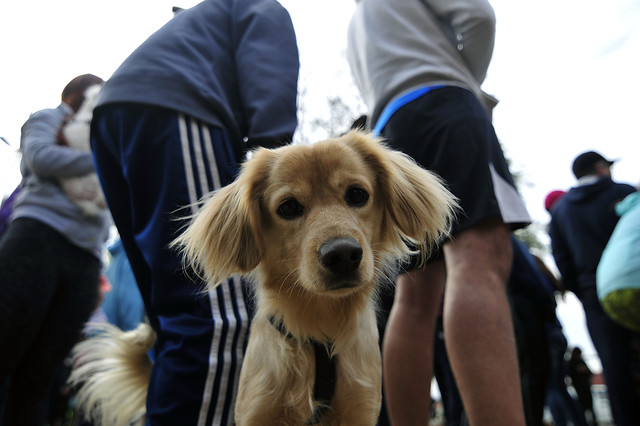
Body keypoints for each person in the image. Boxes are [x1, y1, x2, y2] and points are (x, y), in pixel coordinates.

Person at [89, 1, 299, 424]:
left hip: (114, 120)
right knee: (218, 313)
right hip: (178, 106)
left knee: (174, 313)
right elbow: (271, 112)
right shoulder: (262, 6)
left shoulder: (201, 22)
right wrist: (279, 171)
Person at [347, 0, 531, 425]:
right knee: (479, 256)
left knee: (414, 295)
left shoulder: (358, 23)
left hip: (389, 133)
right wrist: (468, 78)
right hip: (445, 102)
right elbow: (479, 16)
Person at [0, 74, 111, 426]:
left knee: (40, 376)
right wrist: (104, 161)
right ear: (74, 96)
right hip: (37, 238)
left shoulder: (106, 135)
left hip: (87, 259)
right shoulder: (47, 117)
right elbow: (40, 156)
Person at [549, 150, 640, 426]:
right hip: (634, 283)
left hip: (594, 296)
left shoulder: (561, 212)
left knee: (613, 367)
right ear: (601, 168)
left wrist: (587, 292)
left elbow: (562, 260)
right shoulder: (623, 193)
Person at [567, 347, 596, 425]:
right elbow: (570, 374)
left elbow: (590, 373)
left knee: (591, 409)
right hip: (578, 391)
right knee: (581, 409)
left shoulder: (581, 362)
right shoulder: (571, 363)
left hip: (586, 389)